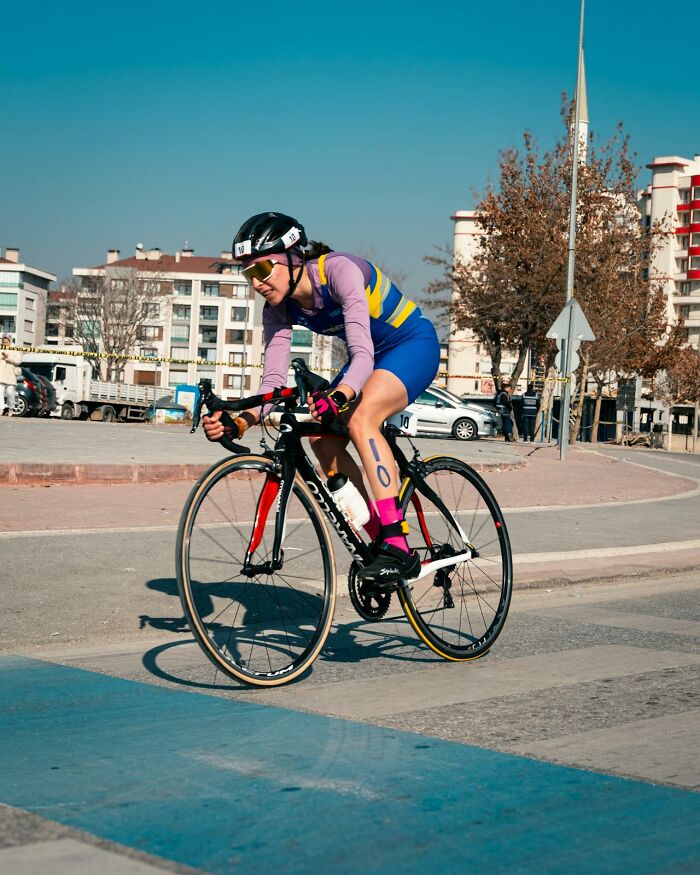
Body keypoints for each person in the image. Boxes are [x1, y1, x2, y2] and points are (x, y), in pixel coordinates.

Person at [203, 212, 440, 584]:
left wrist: (341, 396)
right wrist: (241, 420)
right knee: (320, 438)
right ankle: (381, 539)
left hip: (411, 345)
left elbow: (361, 357)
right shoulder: (278, 309)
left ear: (294, 257)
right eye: (249, 274)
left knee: (362, 419)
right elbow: (273, 382)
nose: (258, 282)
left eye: (263, 269)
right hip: (373, 360)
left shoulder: (338, 271)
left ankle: (399, 545)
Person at [0, 335, 21, 417]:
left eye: (7, 342)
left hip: (10, 373)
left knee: (10, 393)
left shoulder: (15, 349)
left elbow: (18, 361)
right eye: (3, 342)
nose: (5, 344)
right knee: (0, 392)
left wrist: (8, 357)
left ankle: (10, 408)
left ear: (10, 341)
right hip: (1, 372)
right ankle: (1, 408)